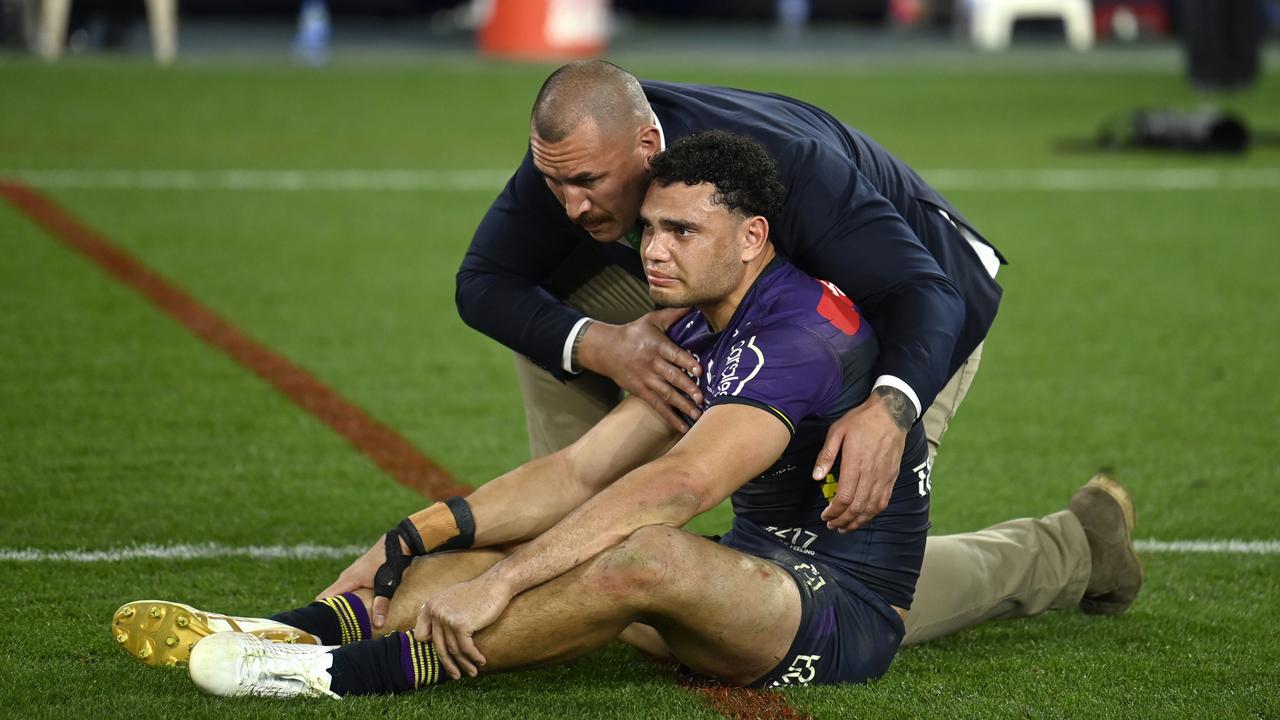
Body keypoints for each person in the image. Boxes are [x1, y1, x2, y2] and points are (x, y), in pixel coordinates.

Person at [111, 132, 1141, 698]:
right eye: (645, 226)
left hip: (829, 604)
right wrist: (407, 539)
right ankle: (300, 629)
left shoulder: (802, 333)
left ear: (749, 240)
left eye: (677, 231)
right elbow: (577, 474)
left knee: (637, 558)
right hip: (756, 575)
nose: (646, 250)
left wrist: (513, 579)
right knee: (455, 575)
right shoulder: (693, 326)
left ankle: (334, 674)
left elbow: (678, 488)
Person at [455, 60, 1069, 642]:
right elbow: (483, 282)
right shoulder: (581, 150)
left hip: (908, 311)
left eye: (587, 183)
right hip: (741, 305)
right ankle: (569, 543)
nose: (570, 206)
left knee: (836, 574)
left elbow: (922, 293)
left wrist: (889, 409)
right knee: (555, 317)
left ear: (647, 146)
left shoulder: (785, 169)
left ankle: (1061, 551)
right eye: (555, 182)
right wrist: (604, 345)